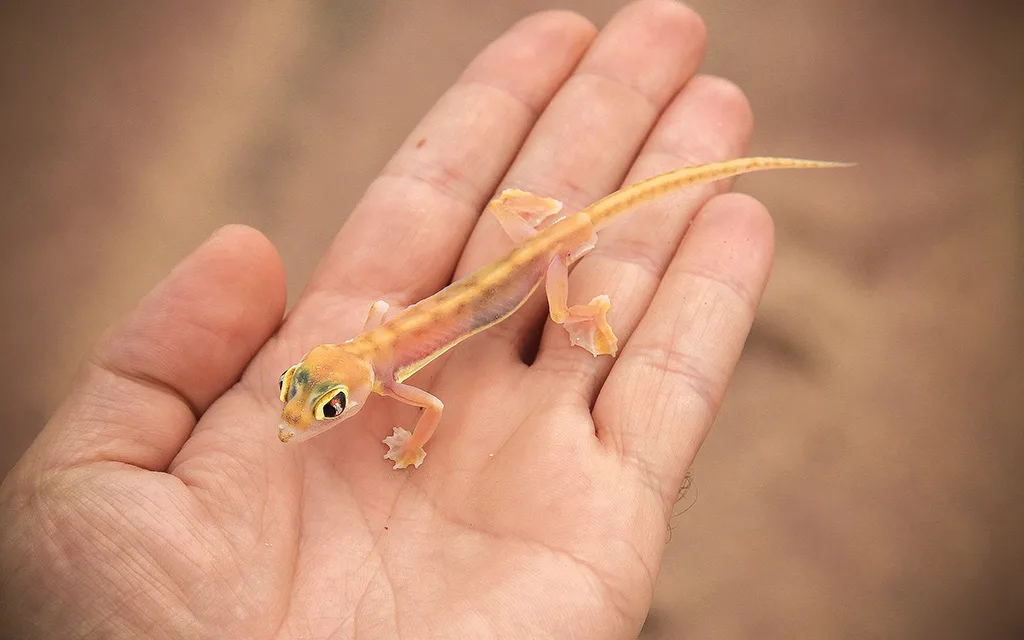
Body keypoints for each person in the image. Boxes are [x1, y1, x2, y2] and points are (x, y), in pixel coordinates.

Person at [0, 1, 773, 637]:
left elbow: (430, 408)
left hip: (538, 268)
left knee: (560, 290)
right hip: (523, 248)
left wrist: (413, 446)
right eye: (308, 398)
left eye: (322, 403)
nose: (299, 418)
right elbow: (384, 324)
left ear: (351, 378)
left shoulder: (392, 374)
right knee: (516, 216)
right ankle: (548, 219)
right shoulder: (368, 342)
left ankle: (585, 310)